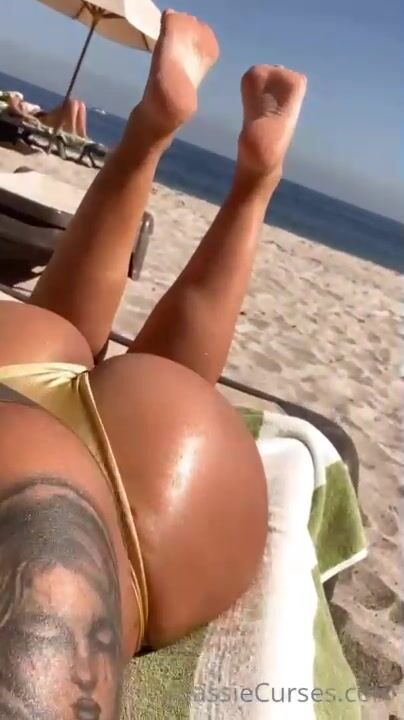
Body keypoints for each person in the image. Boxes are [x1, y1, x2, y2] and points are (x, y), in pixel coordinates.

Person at [0, 9, 307, 718]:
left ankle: (241, 175)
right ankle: (175, 140)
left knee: (148, 381)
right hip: (28, 415)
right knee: (65, 337)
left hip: (132, 526)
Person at [7, 92, 87, 137]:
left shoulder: (19, 101)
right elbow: (13, 107)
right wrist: (26, 116)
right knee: (71, 102)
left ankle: (82, 134)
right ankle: (71, 130)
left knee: (81, 104)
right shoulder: (14, 99)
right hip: (40, 118)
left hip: (44, 116)